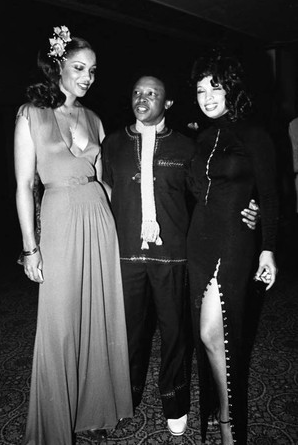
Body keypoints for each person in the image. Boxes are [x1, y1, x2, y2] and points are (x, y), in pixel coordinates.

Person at [101, 71, 259, 437]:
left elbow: (214, 190)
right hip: (125, 255)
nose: (143, 99)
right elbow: (103, 191)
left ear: (167, 103)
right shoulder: (112, 144)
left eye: (152, 93)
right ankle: (127, 396)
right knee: (128, 334)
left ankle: (174, 402)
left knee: (175, 334)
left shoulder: (187, 147)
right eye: (137, 92)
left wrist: (251, 206)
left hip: (173, 255)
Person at [14, 25, 133, 445]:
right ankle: (52, 427)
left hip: (99, 219)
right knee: (60, 322)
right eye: (79, 67)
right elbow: (24, 186)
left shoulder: (95, 119)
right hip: (60, 219)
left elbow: (104, 182)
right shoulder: (31, 113)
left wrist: (140, 218)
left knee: (98, 313)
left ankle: (95, 410)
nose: (87, 77)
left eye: (93, 71)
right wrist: (30, 248)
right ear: (58, 66)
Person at [187, 52, 278, 444]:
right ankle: (219, 411)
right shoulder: (201, 137)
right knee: (206, 334)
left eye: (215, 87)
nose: (207, 97)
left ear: (232, 88)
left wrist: (268, 248)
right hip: (199, 241)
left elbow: (272, 195)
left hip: (233, 241)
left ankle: (228, 422)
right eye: (200, 89)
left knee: (214, 332)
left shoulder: (253, 133)